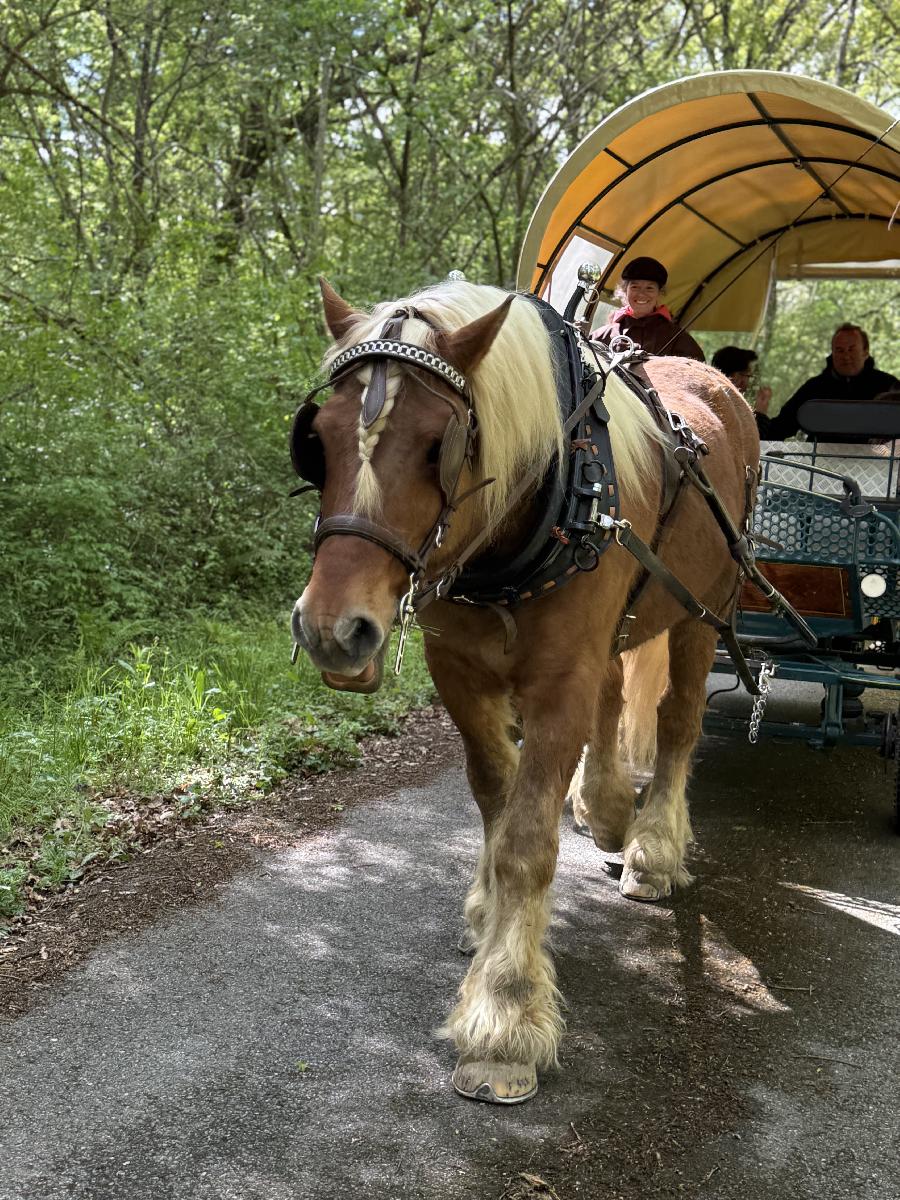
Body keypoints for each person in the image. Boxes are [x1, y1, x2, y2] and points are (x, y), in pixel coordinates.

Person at [755, 324, 900, 440]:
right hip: (820, 469)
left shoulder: (888, 386)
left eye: (851, 349)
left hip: (877, 468)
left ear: (866, 352)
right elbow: (779, 429)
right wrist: (760, 415)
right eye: (840, 350)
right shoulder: (814, 387)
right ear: (832, 353)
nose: (846, 356)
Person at [591, 256, 705, 361]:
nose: (641, 294)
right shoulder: (602, 335)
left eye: (649, 288)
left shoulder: (677, 338)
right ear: (625, 290)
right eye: (635, 287)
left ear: (659, 293)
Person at [711, 345, 772, 412]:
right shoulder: (726, 410)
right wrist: (760, 411)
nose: (748, 382)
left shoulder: (711, 400)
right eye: (748, 375)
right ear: (735, 377)